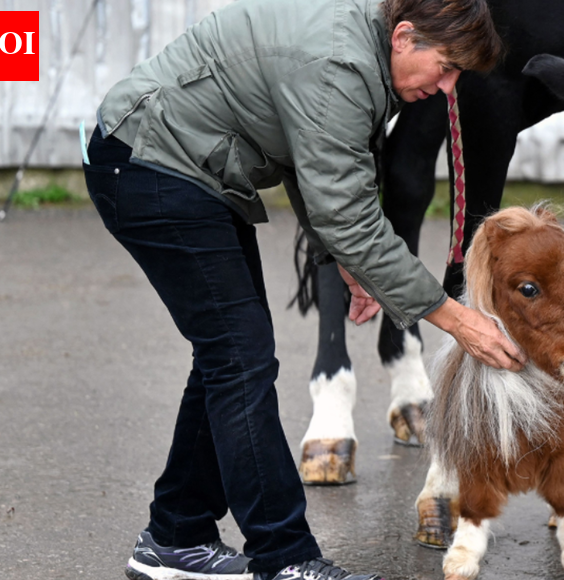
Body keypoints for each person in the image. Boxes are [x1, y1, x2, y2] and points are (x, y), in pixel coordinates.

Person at [81, 0, 520, 579]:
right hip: (151, 164)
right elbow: (348, 215)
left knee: (229, 356)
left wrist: (349, 263)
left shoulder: (361, 51)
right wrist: (459, 321)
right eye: (444, 67)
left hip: (180, 169)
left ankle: (176, 534)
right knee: (238, 358)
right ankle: (285, 559)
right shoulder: (341, 65)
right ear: (405, 36)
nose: (446, 87)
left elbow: (316, 168)